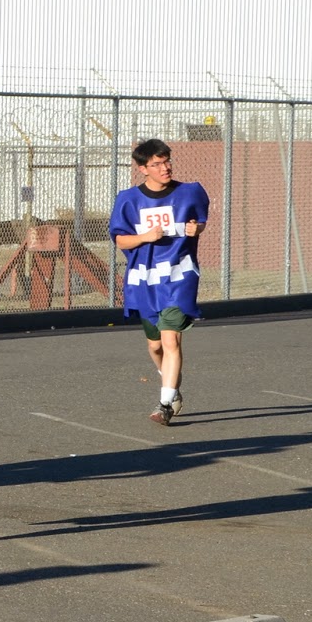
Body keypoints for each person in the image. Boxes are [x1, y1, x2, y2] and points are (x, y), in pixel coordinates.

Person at [108, 138, 209, 426]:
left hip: (180, 277)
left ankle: (165, 404)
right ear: (142, 169)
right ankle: (171, 381)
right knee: (155, 347)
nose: (165, 168)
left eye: (167, 161)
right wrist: (144, 237)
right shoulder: (128, 199)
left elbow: (200, 220)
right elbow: (119, 239)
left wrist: (196, 228)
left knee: (171, 340)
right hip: (145, 281)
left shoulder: (190, 192)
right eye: (157, 164)